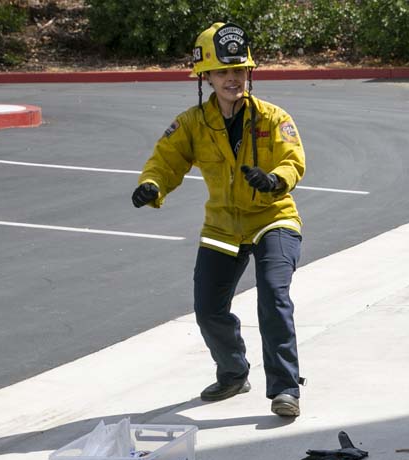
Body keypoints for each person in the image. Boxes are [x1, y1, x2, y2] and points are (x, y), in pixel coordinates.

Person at [132, 22, 307, 418]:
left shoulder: (272, 118)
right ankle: (233, 371)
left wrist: (275, 179)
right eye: (224, 72)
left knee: (273, 295)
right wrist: (152, 186)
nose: (233, 79)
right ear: (205, 76)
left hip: (272, 218)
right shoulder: (193, 123)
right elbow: (166, 160)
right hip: (223, 227)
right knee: (208, 308)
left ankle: (285, 388)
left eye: (240, 70)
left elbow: (292, 159)